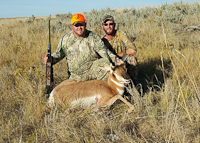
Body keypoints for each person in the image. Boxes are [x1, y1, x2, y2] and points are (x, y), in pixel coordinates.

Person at [44, 14, 117, 82]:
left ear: (85, 25)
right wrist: (51, 59)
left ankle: (104, 91)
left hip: (92, 72)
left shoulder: (93, 37)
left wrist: (116, 59)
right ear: (72, 26)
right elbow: (58, 54)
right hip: (75, 77)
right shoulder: (65, 39)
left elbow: (104, 52)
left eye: (81, 25)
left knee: (107, 63)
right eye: (76, 25)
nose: (79, 28)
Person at [101, 15, 138, 85]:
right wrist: (112, 59)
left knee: (132, 59)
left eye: (111, 24)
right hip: (112, 64)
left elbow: (133, 50)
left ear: (114, 25)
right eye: (106, 24)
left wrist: (116, 56)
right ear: (102, 26)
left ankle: (133, 84)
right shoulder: (102, 42)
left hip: (122, 61)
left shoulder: (120, 34)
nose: (108, 26)